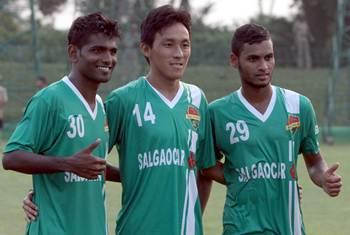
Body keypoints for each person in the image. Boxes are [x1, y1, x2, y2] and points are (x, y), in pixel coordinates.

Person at [22, 5, 216, 235]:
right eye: (169, 44)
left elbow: (205, 170)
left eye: (185, 45)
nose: (179, 53)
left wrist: (192, 220)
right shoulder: (122, 101)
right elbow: (77, 156)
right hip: (135, 228)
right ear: (146, 49)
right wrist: (38, 193)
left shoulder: (197, 99)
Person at [204, 23, 342, 235]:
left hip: (289, 227)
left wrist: (323, 177)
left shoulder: (299, 106)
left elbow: (314, 162)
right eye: (253, 59)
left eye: (268, 57)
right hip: (240, 227)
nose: (263, 66)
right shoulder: (217, 112)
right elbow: (205, 164)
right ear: (234, 60)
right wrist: (238, 177)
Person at [2, 12, 120, 235]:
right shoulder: (50, 100)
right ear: (73, 53)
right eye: (97, 50)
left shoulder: (101, 106)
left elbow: (92, 167)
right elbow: (12, 157)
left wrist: (133, 176)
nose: (107, 58)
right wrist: (68, 164)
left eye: (112, 51)